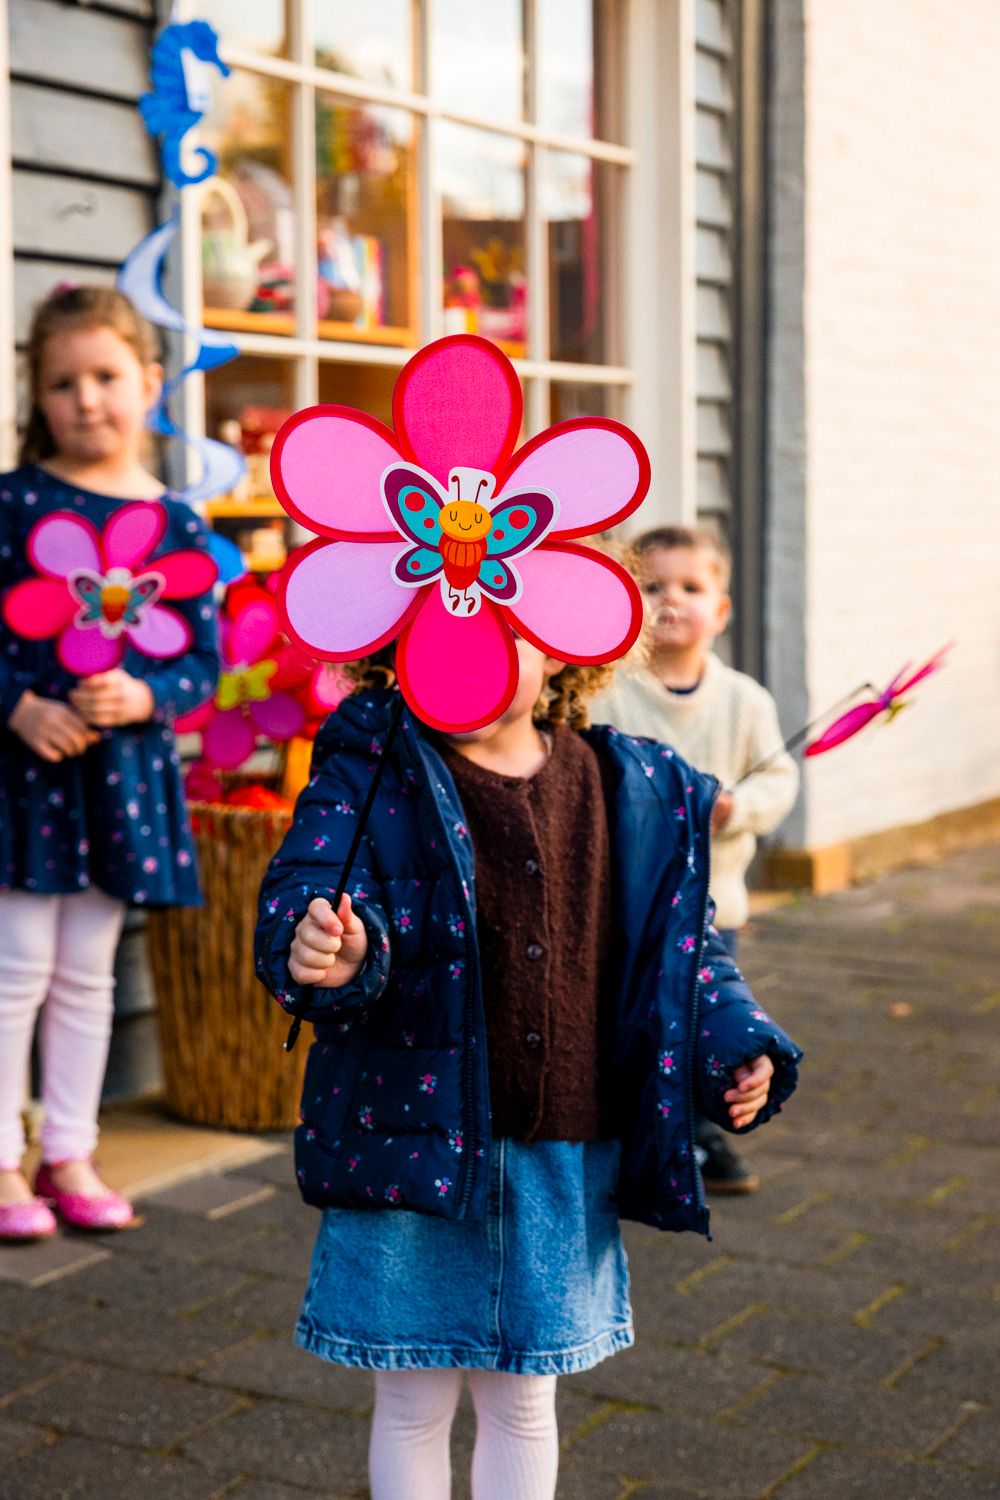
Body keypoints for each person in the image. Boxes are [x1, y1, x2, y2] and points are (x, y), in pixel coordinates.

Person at [254, 635, 802, 1500]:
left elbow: (682, 953)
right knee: (409, 1398)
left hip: (561, 1150)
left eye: (503, 635)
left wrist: (736, 1044)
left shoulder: (630, 782)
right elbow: (312, 881)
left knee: (524, 1399)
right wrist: (325, 944)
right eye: (444, 632)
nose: (469, 653)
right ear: (398, 654)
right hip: (410, 1144)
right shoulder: (371, 761)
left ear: (562, 650)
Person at [0, 285, 219, 1241]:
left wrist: (145, 698)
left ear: (151, 383)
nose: (86, 399)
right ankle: (2, 1160)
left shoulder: (178, 526)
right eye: (62, 382)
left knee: (90, 972)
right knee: (15, 970)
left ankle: (71, 1151)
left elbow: (199, 663)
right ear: (36, 396)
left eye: (106, 376)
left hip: (119, 782)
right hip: (26, 776)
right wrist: (21, 705)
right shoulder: (14, 505)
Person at [591, 524, 799, 1193]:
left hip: (712, 906)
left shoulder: (743, 701)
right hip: (622, 899)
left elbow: (779, 781)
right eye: (652, 586)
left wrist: (738, 806)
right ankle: (623, 1123)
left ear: (721, 608)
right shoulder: (610, 692)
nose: (670, 601)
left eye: (690, 587)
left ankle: (702, 1128)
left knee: (698, 1017)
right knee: (626, 1014)